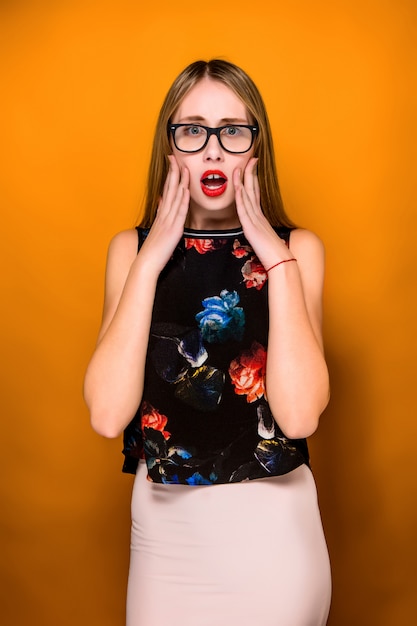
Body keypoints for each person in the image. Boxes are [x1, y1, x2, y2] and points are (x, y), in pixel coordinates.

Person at [84, 59, 332, 626]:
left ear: (255, 151)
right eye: (193, 130)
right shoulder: (131, 252)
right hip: (165, 539)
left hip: (275, 537)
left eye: (233, 131)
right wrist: (149, 263)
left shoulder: (299, 251)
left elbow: (298, 417)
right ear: (169, 150)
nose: (214, 150)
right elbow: (105, 414)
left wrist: (277, 259)